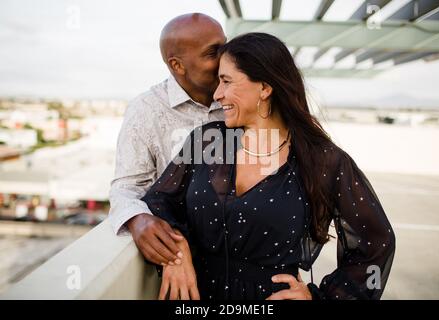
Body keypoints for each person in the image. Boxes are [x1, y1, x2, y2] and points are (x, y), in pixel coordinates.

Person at [141, 32, 396, 300]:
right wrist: (176, 253)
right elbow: (159, 199)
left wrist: (320, 298)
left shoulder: (322, 160)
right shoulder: (207, 141)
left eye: (226, 81)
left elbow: (376, 242)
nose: (217, 94)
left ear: (264, 88)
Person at [108, 13, 226, 270]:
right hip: (184, 261)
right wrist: (137, 219)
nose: (225, 58)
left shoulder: (244, 96)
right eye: (212, 52)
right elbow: (126, 186)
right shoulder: (145, 109)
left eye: (225, 46)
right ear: (177, 65)